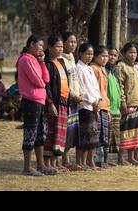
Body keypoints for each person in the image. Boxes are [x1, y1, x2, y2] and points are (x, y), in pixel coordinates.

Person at [17, 35, 55, 176]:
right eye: (39, 45)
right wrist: (42, 81)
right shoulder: (26, 59)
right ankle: (27, 167)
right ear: (31, 45)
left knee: (40, 134)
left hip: (39, 101)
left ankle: (41, 165)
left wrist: (42, 63)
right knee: (30, 134)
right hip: (31, 102)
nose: (41, 49)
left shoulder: (36, 60)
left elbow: (46, 79)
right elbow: (38, 81)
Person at [43, 34, 70, 173]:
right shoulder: (47, 64)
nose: (60, 49)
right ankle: (47, 164)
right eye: (57, 47)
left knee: (60, 134)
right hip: (54, 103)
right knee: (51, 134)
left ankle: (55, 163)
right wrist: (50, 103)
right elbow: (46, 86)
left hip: (64, 102)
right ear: (49, 47)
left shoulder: (62, 62)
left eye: (61, 47)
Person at [116, 43, 138, 165]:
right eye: (130, 52)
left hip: (137, 104)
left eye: (134, 53)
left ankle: (131, 157)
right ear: (124, 53)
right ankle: (120, 158)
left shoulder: (136, 68)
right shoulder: (121, 67)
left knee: (135, 133)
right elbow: (120, 86)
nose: (133, 55)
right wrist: (123, 102)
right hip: (127, 105)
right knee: (125, 132)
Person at [76, 43, 102, 170]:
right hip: (85, 106)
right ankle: (80, 162)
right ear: (80, 53)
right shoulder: (78, 68)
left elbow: (95, 88)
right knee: (85, 136)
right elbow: (82, 89)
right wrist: (92, 101)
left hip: (94, 106)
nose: (89, 56)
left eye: (91, 54)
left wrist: (98, 102)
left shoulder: (90, 69)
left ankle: (89, 162)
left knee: (93, 136)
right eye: (87, 53)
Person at [60, 32, 82, 171]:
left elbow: (75, 79)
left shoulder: (72, 58)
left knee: (71, 131)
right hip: (67, 99)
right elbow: (64, 82)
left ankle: (66, 160)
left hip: (75, 101)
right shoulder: (61, 59)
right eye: (70, 42)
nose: (73, 45)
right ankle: (62, 161)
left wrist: (79, 94)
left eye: (75, 42)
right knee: (64, 131)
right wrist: (73, 95)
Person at [91, 46, 111, 168]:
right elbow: (94, 89)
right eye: (102, 56)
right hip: (97, 105)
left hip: (105, 105)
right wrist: (97, 106)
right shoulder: (93, 69)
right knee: (97, 135)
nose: (105, 59)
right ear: (96, 56)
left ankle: (102, 160)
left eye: (106, 56)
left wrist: (107, 108)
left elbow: (104, 91)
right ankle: (96, 161)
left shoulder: (103, 69)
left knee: (104, 135)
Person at [106, 47, 121, 163]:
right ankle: (102, 160)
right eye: (110, 54)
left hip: (116, 108)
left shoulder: (115, 70)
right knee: (105, 135)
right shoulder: (103, 70)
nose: (112, 57)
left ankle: (108, 160)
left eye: (115, 55)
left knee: (114, 136)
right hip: (106, 107)